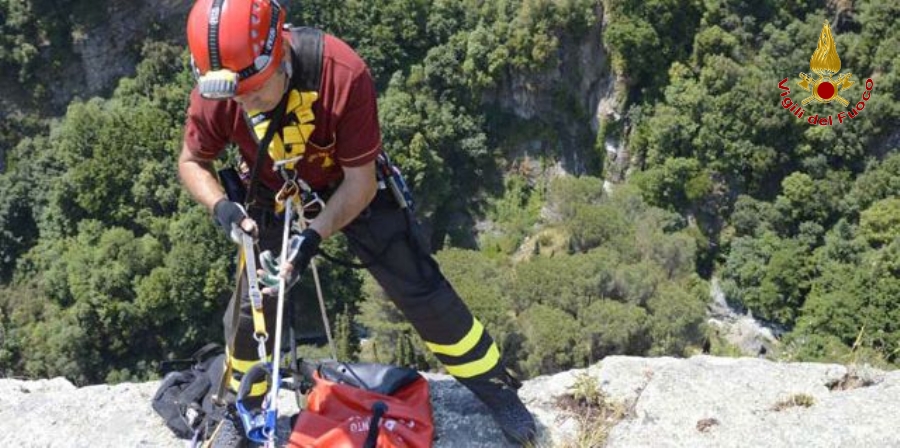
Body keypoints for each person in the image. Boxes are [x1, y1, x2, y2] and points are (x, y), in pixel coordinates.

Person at [178, 0, 537, 446]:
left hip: (345, 183)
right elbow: (192, 161)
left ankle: (496, 388)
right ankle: (238, 406)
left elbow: (360, 183)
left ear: (280, 56)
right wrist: (223, 209)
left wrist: (311, 238)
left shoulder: (341, 74)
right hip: (270, 192)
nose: (243, 103)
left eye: (254, 92)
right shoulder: (223, 86)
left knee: (419, 287)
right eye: (236, 96)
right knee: (254, 309)